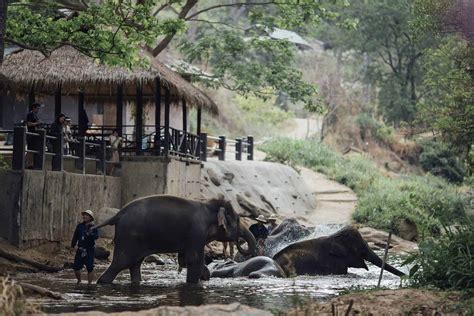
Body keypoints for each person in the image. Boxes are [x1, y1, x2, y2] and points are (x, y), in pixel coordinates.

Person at [70, 210, 98, 284]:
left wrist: (90, 233)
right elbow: (75, 236)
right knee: (76, 267)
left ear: (90, 218)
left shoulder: (94, 227)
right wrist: (72, 246)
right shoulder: (79, 226)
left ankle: (89, 284)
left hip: (89, 250)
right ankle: (79, 280)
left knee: (90, 267)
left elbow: (96, 237)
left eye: (87, 215)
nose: (84, 216)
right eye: (84, 215)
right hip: (80, 249)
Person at [25, 103, 42, 169]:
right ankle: (28, 164)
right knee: (30, 150)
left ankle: (31, 163)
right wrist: (37, 123)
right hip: (31, 134)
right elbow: (29, 124)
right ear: (34, 108)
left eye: (39, 108)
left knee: (34, 150)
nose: (38, 110)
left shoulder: (36, 115)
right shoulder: (30, 115)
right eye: (37, 108)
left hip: (35, 135)